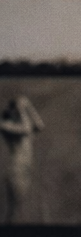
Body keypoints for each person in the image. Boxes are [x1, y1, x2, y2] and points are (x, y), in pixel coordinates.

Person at [0, 95, 45, 223]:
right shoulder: (5, 125)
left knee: (24, 208)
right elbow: (26, 129)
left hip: (27, 168)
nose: (19, 114)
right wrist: (22, 109)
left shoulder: (20, 124)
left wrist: (29, 106)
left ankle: (15, 236)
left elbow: (40, 125)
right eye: (17, 111)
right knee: (16, 208)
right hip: (16, 169)